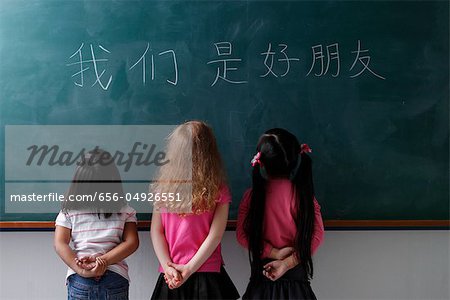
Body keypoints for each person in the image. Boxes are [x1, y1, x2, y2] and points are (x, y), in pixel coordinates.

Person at [150, 121, 239, 299]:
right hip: (206, 274)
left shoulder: (164, 189)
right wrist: (187, 269)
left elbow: (156, 231)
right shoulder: (218, 189)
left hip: (172, 275)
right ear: (209, 152)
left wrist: (168, 267)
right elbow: (215, 236)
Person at [237, 128, 324, 299]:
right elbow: (317, 236)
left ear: (261, 161)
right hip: (296, 283)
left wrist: (273, 253)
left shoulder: (252, 196)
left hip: (261, 284)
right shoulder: (303, 196)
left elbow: (241, 235)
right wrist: (287, 262)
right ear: (295, 158)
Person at [54, 148, 139, 300]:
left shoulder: (69, 210)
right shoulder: (124, 210)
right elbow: (132, 242)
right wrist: (103, 261)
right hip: (114, 276)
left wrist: (81, 270)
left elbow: (60, 243)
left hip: (81, 278)